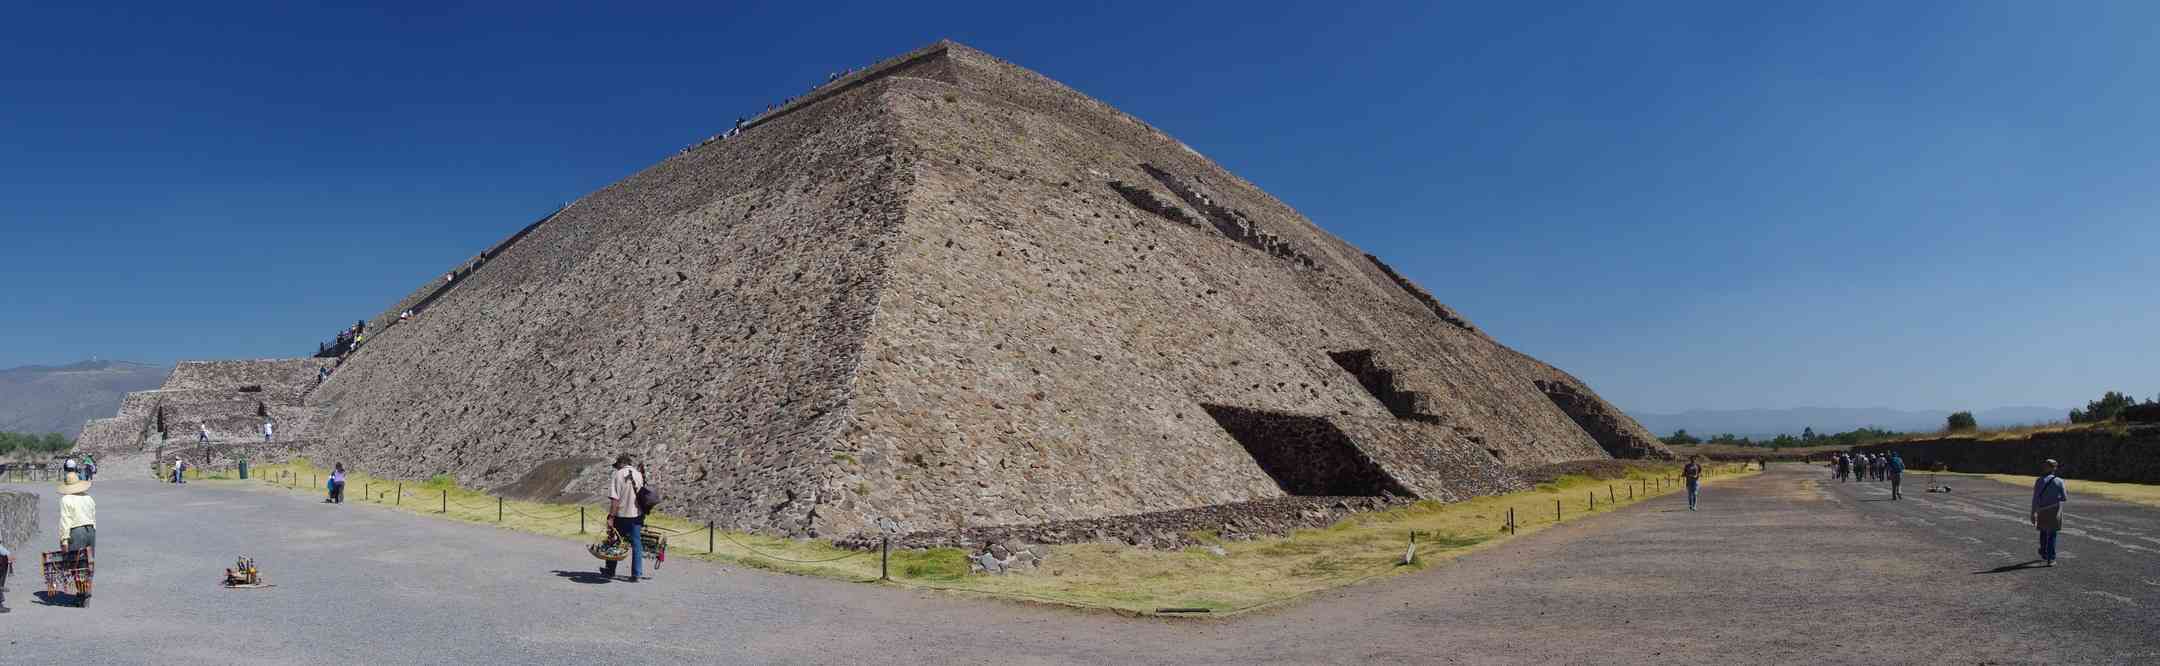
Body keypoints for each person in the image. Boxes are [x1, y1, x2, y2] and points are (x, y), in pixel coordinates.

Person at [599, 454, 646, 582]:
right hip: (636, 514)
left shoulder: (618, 475)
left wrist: (611, 517)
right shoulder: (638, 474)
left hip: (621, 515)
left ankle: (610, 571)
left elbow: (615, 499)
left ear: (620, 463)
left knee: (613, 541)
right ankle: (637, 574)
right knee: (637, 544)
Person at [2032, 459, 2067, 566]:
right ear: (2054, 468)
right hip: (2054, 510)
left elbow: (2035, 498)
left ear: (2045, 467)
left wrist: (2033, 512)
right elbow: (2064, 498)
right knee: (2052, 534)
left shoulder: (2039, 481)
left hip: (2042, 509)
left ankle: (2043, 552)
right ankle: (2051, 559)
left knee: (2043, 531)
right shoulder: (2060, 481)